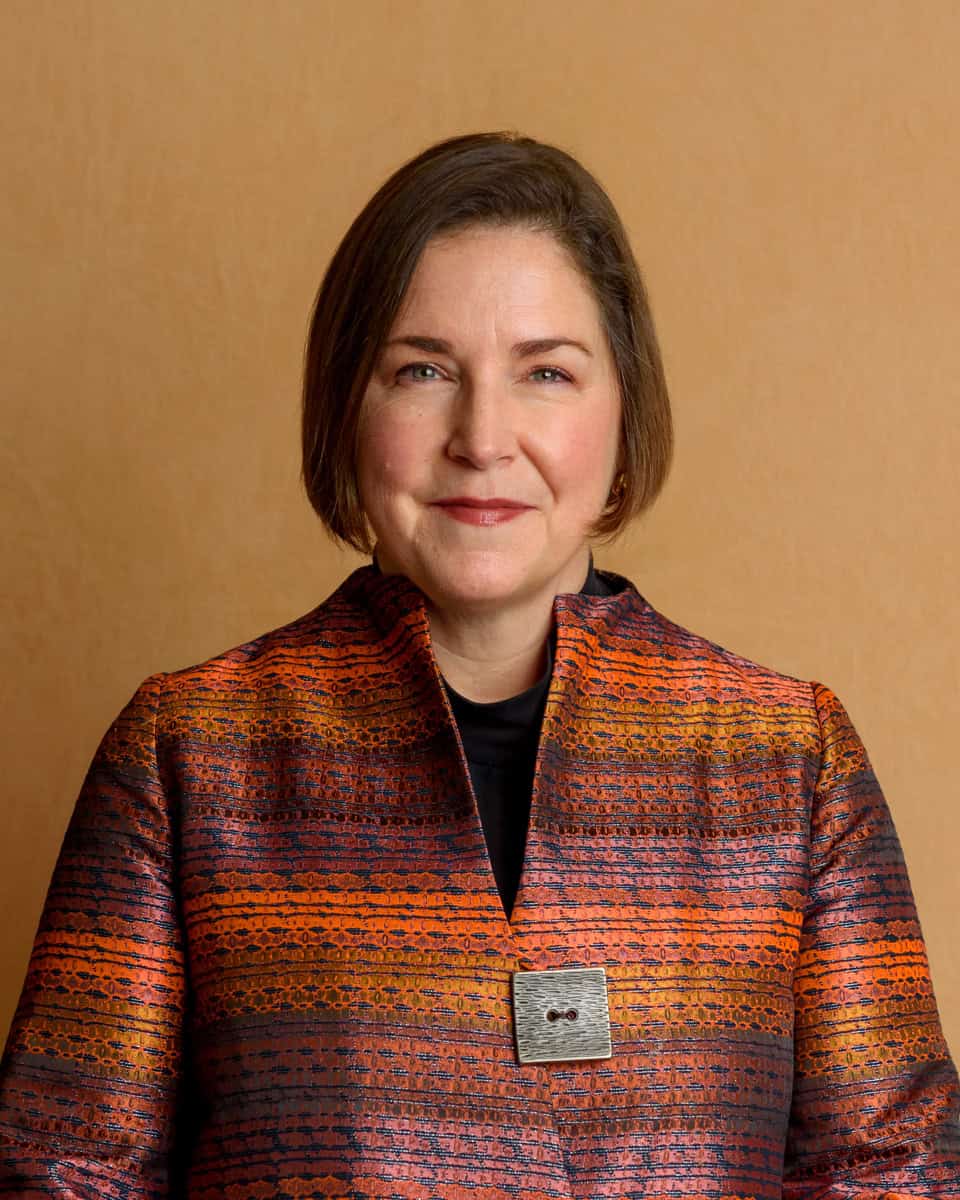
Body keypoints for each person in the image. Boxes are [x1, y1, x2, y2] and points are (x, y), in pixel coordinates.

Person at [0, 130, 957, 1198]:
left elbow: (894, 1172)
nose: (483, 435)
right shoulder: (191, 756)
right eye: (423, 370)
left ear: (623, 420)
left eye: (546, 371)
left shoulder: (786, 760)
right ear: (346, 415)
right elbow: (64, 1172)